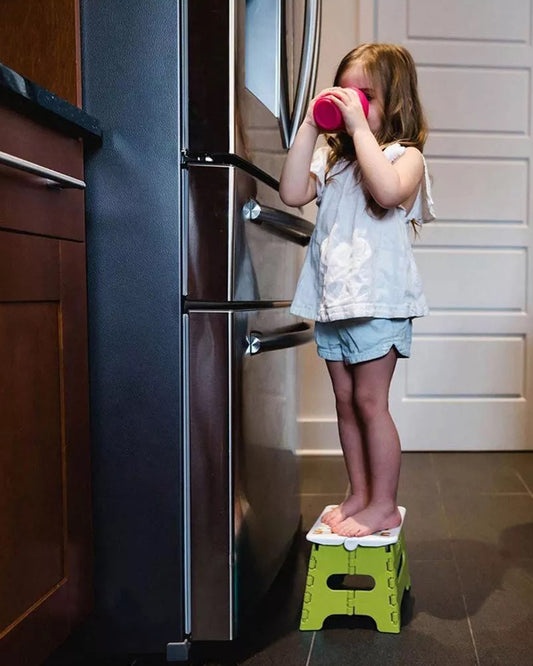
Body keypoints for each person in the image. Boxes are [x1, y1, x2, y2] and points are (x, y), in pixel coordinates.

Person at [279, 43, 435, 538]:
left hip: (377, 305)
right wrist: (310, 124)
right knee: (345, 404)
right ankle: (360, 494)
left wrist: (360, 129)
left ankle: (383, 504)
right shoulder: (332, 159)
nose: (351, 103)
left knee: (370, 403)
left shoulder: (404, 158)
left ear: (397, 101)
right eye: (344, 92)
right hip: (333, 303)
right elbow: (291, 192)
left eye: (365, 95)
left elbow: (387, 192)